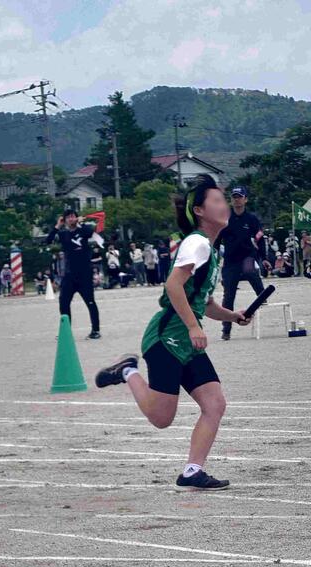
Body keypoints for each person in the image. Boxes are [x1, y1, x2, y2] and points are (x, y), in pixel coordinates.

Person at [96, 174, 251, 490]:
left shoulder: (212, 250)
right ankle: (127, 371)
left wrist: (232, 316)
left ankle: (193, 470)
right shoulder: (196, 242)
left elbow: (204, 303)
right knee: (161, 418)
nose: (224, 205)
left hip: (187, 341)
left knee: (215, 404)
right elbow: (173, 286)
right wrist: (193, 326)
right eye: (217, 200)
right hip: (166, 337)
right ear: (200, 211)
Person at [218, 185, 269, 341]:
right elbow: (217, 239)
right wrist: (213, 256)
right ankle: (226, 330)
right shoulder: (225, 218)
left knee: (249, 271)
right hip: (230, 260)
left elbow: (260, 239)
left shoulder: (251, 219)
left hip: (247, 256)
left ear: (245, 199)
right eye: (234, 197)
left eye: (240, 197)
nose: (237, 200)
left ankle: (262, 295)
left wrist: (264, 257)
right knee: (228, 296)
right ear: (231, 200)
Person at [44, 209, 101, 339]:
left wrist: (81, 223)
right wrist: (57, 226)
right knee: (63, 302)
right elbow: (48, 240)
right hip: (69, 274)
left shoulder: (83, 231)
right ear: (65, 220)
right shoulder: (63, 234)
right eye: (68, 217)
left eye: (73, 216)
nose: (71, 219)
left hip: (84, 274)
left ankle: (95, 330)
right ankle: (66, 331)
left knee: (90, 302)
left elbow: (92, 232)